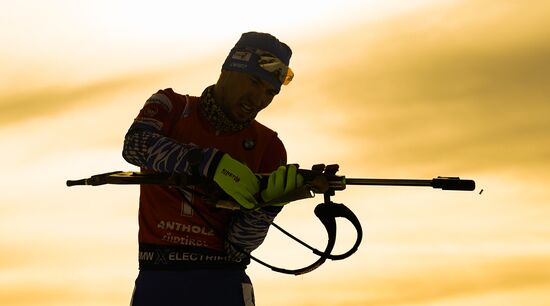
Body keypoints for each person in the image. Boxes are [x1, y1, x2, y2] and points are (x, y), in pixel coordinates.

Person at [122, 31, 303, 306]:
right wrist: (209, 163)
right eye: (254, 82)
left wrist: (268, 206)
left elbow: (236, 248)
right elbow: (134, 145)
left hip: (224, 282)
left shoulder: (270, 146)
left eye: (270, 92)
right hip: (159, 278)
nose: (258, 99)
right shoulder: (171, 105)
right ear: (229, 68)